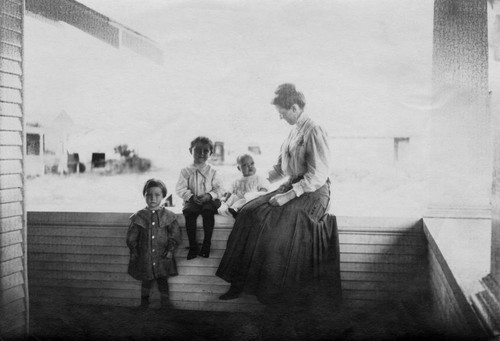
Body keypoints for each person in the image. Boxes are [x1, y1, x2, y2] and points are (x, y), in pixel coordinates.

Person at [216, 83, 342, 312]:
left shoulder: (314, 130)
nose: (281, 118)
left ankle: (273, 295)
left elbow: (319, 174)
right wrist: (258, 182)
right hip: (293, 185)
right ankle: (238, 283)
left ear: (294, 108)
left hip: (313, 193)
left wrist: (287, 197)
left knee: (276, 226)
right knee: (248, 211)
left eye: (282, 114)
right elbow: (280, 169)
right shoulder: (294, 131)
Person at [126, 178, 181, 310]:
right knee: (146, 280)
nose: (153, 198)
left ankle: (166, 304)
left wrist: (170, 251)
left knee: (163, 280)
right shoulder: (139, 216)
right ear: (144, 195)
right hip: (145, 256)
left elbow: (175, 236)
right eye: (149, 194)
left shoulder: (169, 216)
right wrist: (134, 251)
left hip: (163, 256)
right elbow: (131, 237)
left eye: (157, 195)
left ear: (163, 196)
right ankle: (144, 304)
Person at [176, 136, 225, 260]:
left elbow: (220, 189)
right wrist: (191, 197)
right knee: (189, 212)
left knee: (208, 211)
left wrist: (209, 195)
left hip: (210, 200)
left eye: (205, 151)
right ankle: (193, 246)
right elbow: (180, 189)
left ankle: (206, 244)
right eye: (197, 150)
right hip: (193, 200)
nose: (201, 153)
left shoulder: (213, 171)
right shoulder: (185, 171)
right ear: (190, 151)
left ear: (211, 153)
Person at [218, 153, 269, 218]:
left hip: (252, 200)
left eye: (252, 163)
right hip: (239, 200)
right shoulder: (236, 181)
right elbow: (230, 191)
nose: (250, 166)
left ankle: (238, 211)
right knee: (237, 201)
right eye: (245, 165)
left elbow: (263, 189)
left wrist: (259, 194)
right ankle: (235, 211)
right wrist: (226, 199)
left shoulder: (258, 178)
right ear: (239, 168)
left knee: (246, 202)